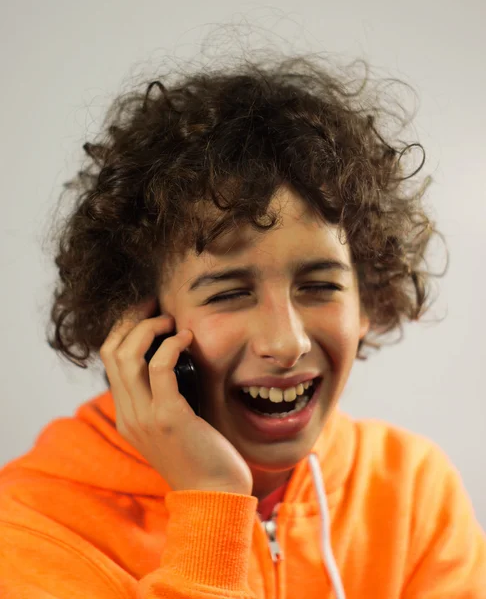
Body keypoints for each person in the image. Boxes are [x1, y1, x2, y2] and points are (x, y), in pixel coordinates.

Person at [0, 52, 484, 599]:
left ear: (367, 300)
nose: (286, 343)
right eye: (229, 293)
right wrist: (211, 503)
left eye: (320, 286)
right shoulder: (29, 528)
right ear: (138, 321)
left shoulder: (415, 495)